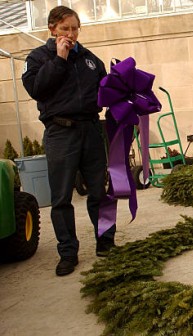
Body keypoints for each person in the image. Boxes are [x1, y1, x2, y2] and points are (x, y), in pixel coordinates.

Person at [22, 6, 115, 276]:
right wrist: (60, 59)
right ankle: (68, 252)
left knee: (100, 191)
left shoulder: (91, 60)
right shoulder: (38, 58)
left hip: (90, 130)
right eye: (65, 29)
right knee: (62, 197)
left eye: (75, 28)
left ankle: (106, 242)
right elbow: (37, 89)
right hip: (60, 132)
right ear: (52, 29)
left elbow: (105, 94)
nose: (71, 34)